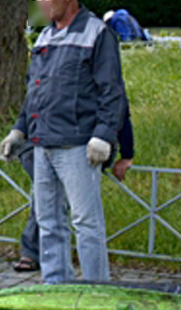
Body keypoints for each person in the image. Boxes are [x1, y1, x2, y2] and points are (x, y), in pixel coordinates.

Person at [0, 0, 128, 284]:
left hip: (77, 146)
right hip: (41, 144)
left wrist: (103, 136)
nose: (39, 3)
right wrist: (19, 130)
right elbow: (35, 90)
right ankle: (56, 287)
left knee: (86, 222)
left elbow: (113, 92)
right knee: (49, 222)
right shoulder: (45, 35)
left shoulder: (98, 34)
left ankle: (96, 290)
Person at [12, 107, 134, 273]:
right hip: (41, 142)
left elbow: (116, 104)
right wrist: (18, 130)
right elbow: (33, 99)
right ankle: (42, 263)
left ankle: (93, 284)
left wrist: (125, 150)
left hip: (79, 142)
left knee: (77, 217)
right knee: (49, 211)